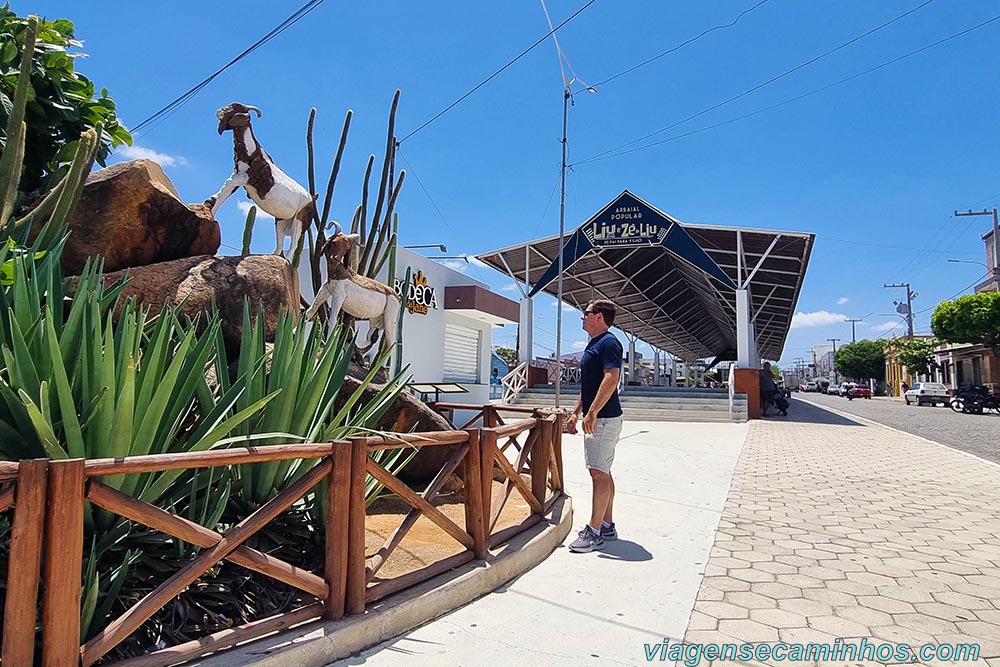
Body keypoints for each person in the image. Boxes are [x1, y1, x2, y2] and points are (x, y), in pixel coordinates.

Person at [566, 299, 624, 553]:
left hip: (604, 419)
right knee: (603, 471)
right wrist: (576, 412)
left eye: (586, 313)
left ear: (599, 317)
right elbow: (589, 385)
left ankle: (594, 532)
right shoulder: (594, 344)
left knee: (598, 474)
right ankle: (607, 525)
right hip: (599, 416)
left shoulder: (609, 342)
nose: (582, 317)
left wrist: (592, 413)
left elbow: (611, 379)